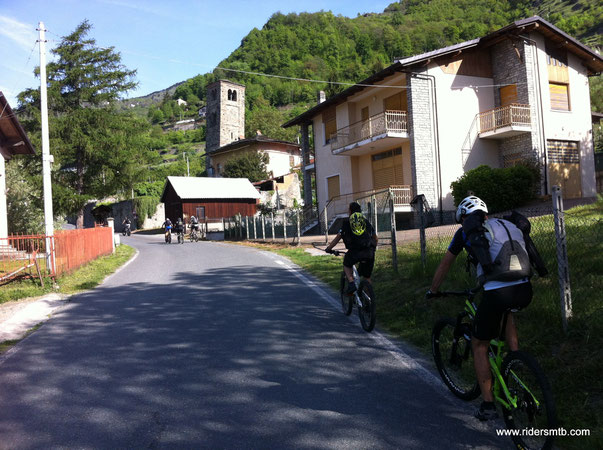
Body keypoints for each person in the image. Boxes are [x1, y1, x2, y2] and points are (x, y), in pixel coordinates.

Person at [426, 195, 533, 421]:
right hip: (524, 288)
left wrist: (434, 289)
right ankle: (515, 365)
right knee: (508, 315)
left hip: (497, 291)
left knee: (479, 345)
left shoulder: (466, 231)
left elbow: (446, 262)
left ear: (464, 217)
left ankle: (487, 405)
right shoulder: (506, 224)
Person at [325, 202, 378, 294]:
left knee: (346, 263)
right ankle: (369, 303)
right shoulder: (366, 222)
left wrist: (328, 248)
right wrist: (373, 248)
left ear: (350, 211)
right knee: (367, 277)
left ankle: (351, 282)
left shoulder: (346, 223)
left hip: (355, 252)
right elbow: (375, 238)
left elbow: (337, 239)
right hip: (369, 252)